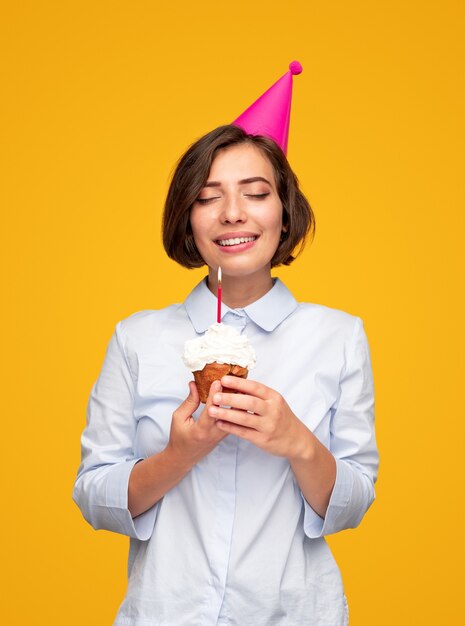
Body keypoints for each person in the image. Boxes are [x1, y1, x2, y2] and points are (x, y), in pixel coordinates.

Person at [73, 64, 378, 626]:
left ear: (283, 214)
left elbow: (353, 504)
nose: (233, 212)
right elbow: (94, 496)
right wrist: (177, 456)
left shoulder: (338, 336)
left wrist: (297, 442)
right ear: (189, 223)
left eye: (256, 193)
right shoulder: (136, 338)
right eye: (209, 197)